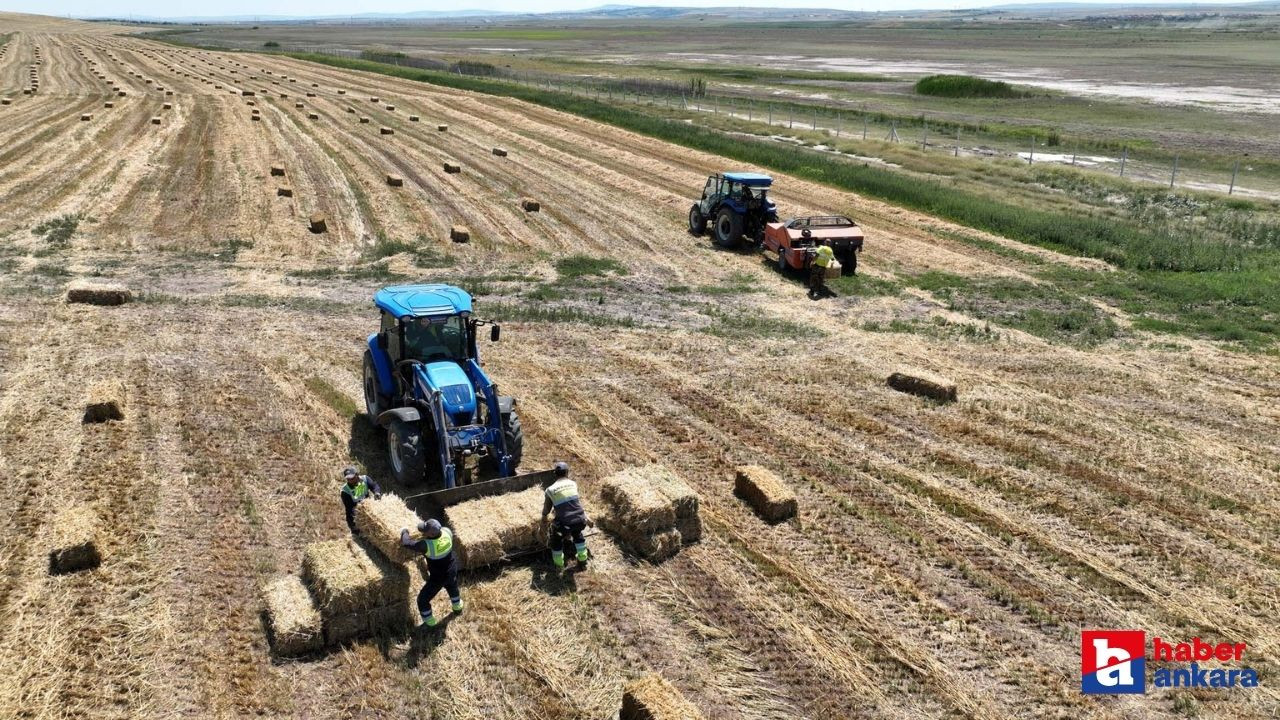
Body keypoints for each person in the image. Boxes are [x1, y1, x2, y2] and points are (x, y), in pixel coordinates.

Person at [400, 520, 462, 629]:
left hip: (438, 577)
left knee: (422, 600)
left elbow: (407, 543)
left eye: (425, 531)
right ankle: (458, 608)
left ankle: (429, 622)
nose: (423, 533)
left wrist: (404, 531)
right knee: (452, 588)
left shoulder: (426, 545)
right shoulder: (447, 532)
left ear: (431, 534)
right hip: (452, 569)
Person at [541, 461, 591, 569]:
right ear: (567, 473)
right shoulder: (573, 484)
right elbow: (574, 502)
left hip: (565, 524)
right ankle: (582, 559)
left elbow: (547, 509)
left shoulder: (550, 490)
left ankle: (559, 564)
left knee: (556, 540)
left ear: (555, 474)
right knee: (577, 534)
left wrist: (544, 517)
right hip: (580, 520)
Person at [340, 467, 381, 533]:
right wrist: (354, 524)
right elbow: (349, 509)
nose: (351, 481)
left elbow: (374, 486)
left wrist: (377, 492)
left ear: (357, 474)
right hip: (357, 509)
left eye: (352, 478)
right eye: (348, 479)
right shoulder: (345, 491)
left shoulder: (365, 479)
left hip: (368, 504)